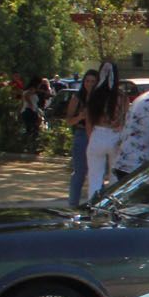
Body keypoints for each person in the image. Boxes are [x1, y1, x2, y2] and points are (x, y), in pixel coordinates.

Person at [83, 63, 125, 197]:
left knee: (94, 177)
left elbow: (88, 120)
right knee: (115, 178)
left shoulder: (94, 95)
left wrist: (91, 137)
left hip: (97, 133)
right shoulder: (121, 95)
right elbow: (125, 117)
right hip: (115, 134)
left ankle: (92, 206)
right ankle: (112, 208)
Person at [64, 69, 98, 206]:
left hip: (98, 134)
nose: (89, 84)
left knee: (97, 173)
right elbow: (68, 120)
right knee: (79, 172)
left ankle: (95, 205)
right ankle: (73, 205)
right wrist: (79, 117)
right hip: (82, 134)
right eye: (87, 81)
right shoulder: (77, 98)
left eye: (93, 81)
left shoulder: (101, 98)